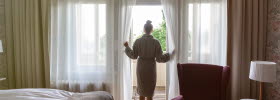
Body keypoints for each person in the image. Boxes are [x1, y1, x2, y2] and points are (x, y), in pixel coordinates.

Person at [124, 20, 171, 100]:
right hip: (151, 68)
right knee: (150, 91)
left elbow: (134, 55)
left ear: (144, 29)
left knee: (141, 90)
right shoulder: (156, 42)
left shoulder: (138, 41)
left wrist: (127, 47)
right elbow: (159, 58)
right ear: (152, 30)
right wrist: (169, 54)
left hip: (141, 67)